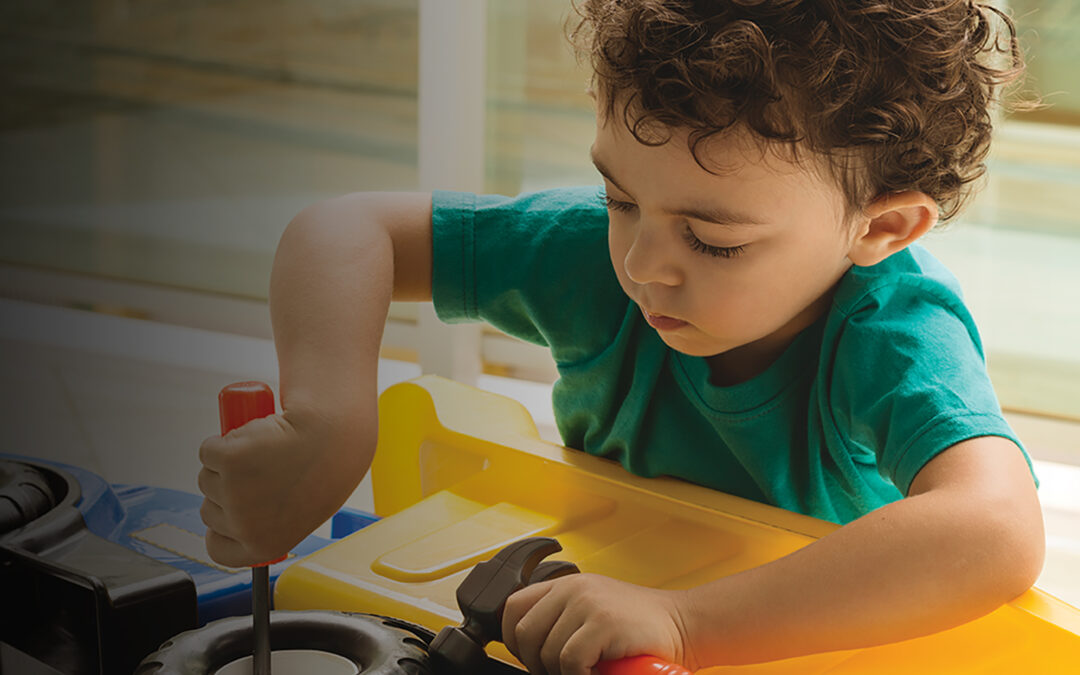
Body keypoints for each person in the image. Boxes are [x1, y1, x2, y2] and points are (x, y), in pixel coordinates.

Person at [196, 1, 1045, 672]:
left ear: (881, 227)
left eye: (714, 240)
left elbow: (996, 530)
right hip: (600, 609)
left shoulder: (894, 332)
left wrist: (685, 621)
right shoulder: (595, 255)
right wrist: (329, 418)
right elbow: (347, 230)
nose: (641, 264)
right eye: (619, 199)